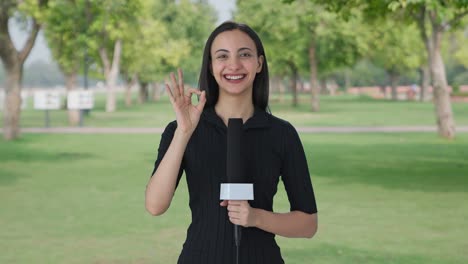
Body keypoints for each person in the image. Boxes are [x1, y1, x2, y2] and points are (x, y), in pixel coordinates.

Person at [145, 21, 318, 264]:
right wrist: (184, 133)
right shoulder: (180, 130)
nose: (234, 65)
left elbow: (308, 224)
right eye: (222, 56)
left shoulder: (282, 133)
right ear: (211, 66)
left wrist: (256, 217)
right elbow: (155, 205)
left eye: (245, 54)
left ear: (259, 63)